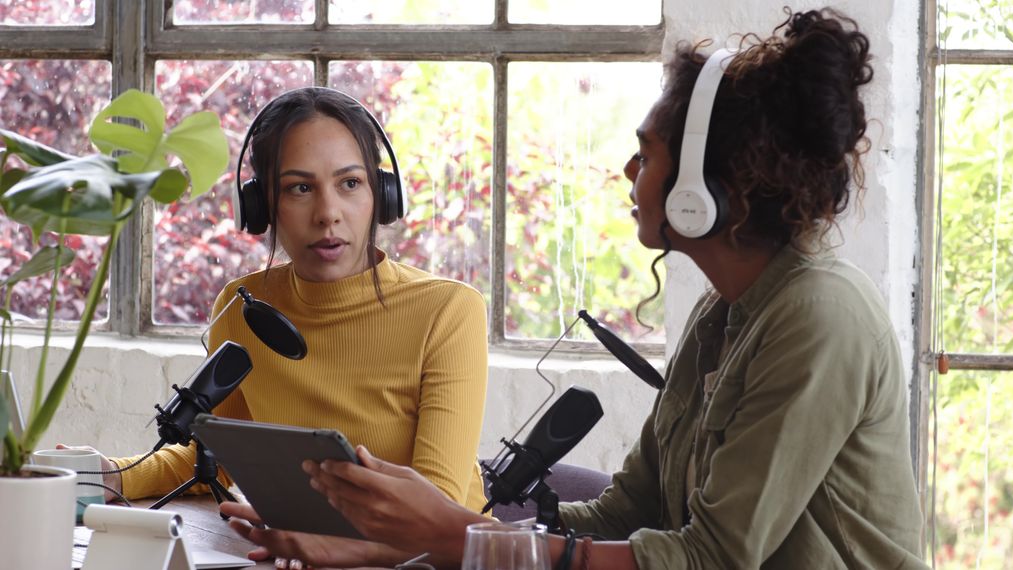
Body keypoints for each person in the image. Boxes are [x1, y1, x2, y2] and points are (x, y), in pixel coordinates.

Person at [222, 9, 929, 569]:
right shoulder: (727, 315)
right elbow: (631, 513)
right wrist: (421, 537)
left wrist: (453, 537)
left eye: (646, 154)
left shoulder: (819, 315)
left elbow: (712, 556)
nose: (628, 169)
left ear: (703, 187)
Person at [89, 87, 491, 515]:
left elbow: (437, 505)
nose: (327, 213)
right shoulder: (246, 306)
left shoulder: (448, 311)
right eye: (300, 188)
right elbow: (216, 457)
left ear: (382, 195)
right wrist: (111, 475)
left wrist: (313, 537)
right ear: (262, 205)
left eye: (350, 183)